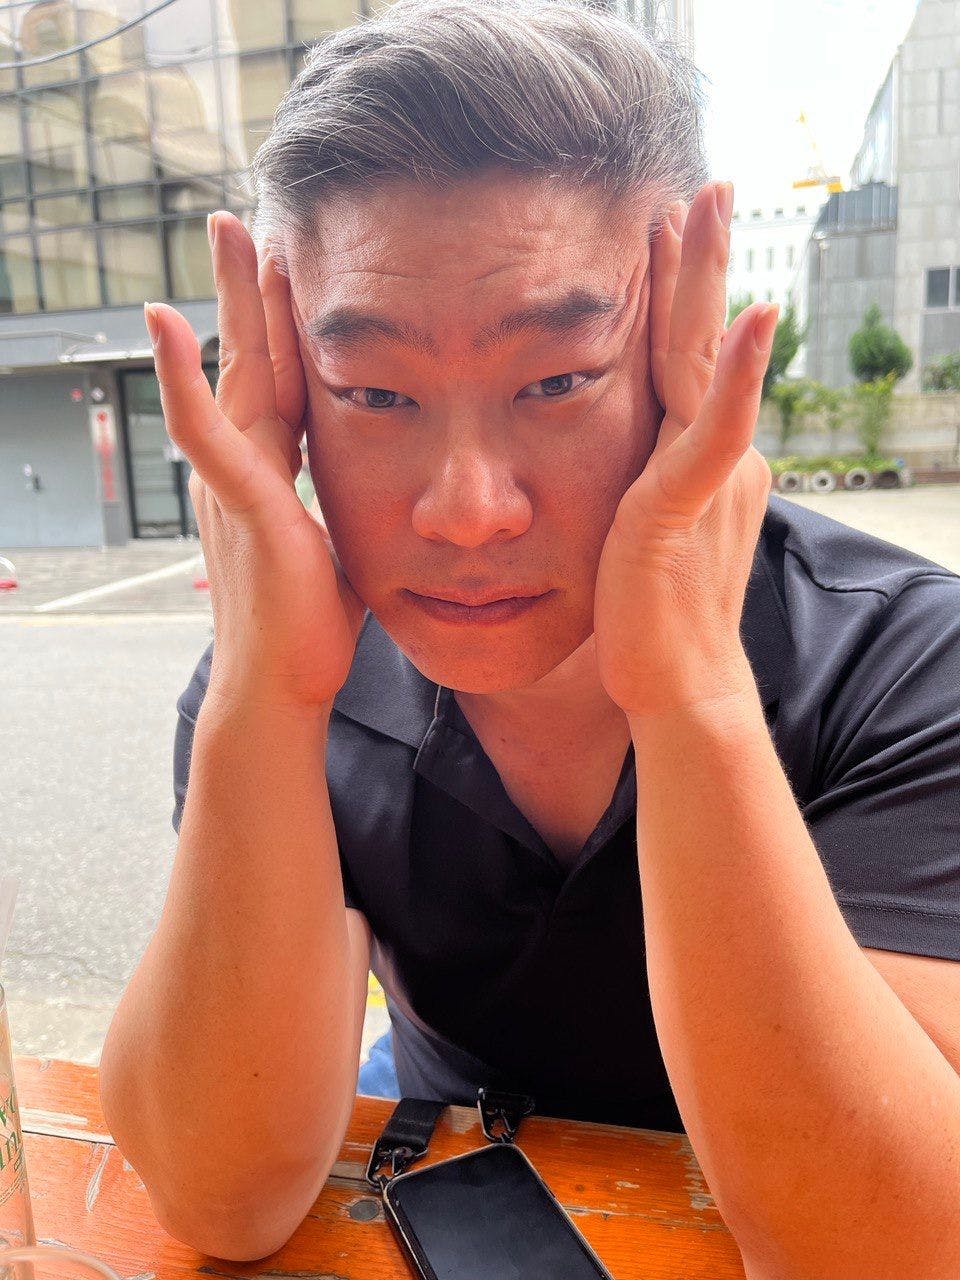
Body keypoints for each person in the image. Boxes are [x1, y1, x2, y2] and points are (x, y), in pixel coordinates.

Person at [98, 0, 960, 1273]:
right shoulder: (296, 672)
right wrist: (262, 696)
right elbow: (224, 1195)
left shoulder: (903, 662)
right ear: (289, 388)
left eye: (556, 381)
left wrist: (693, 694)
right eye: (373, 393)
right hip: (449, 1157)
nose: (464, 511)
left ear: (685, 349)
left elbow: (893, 1239)